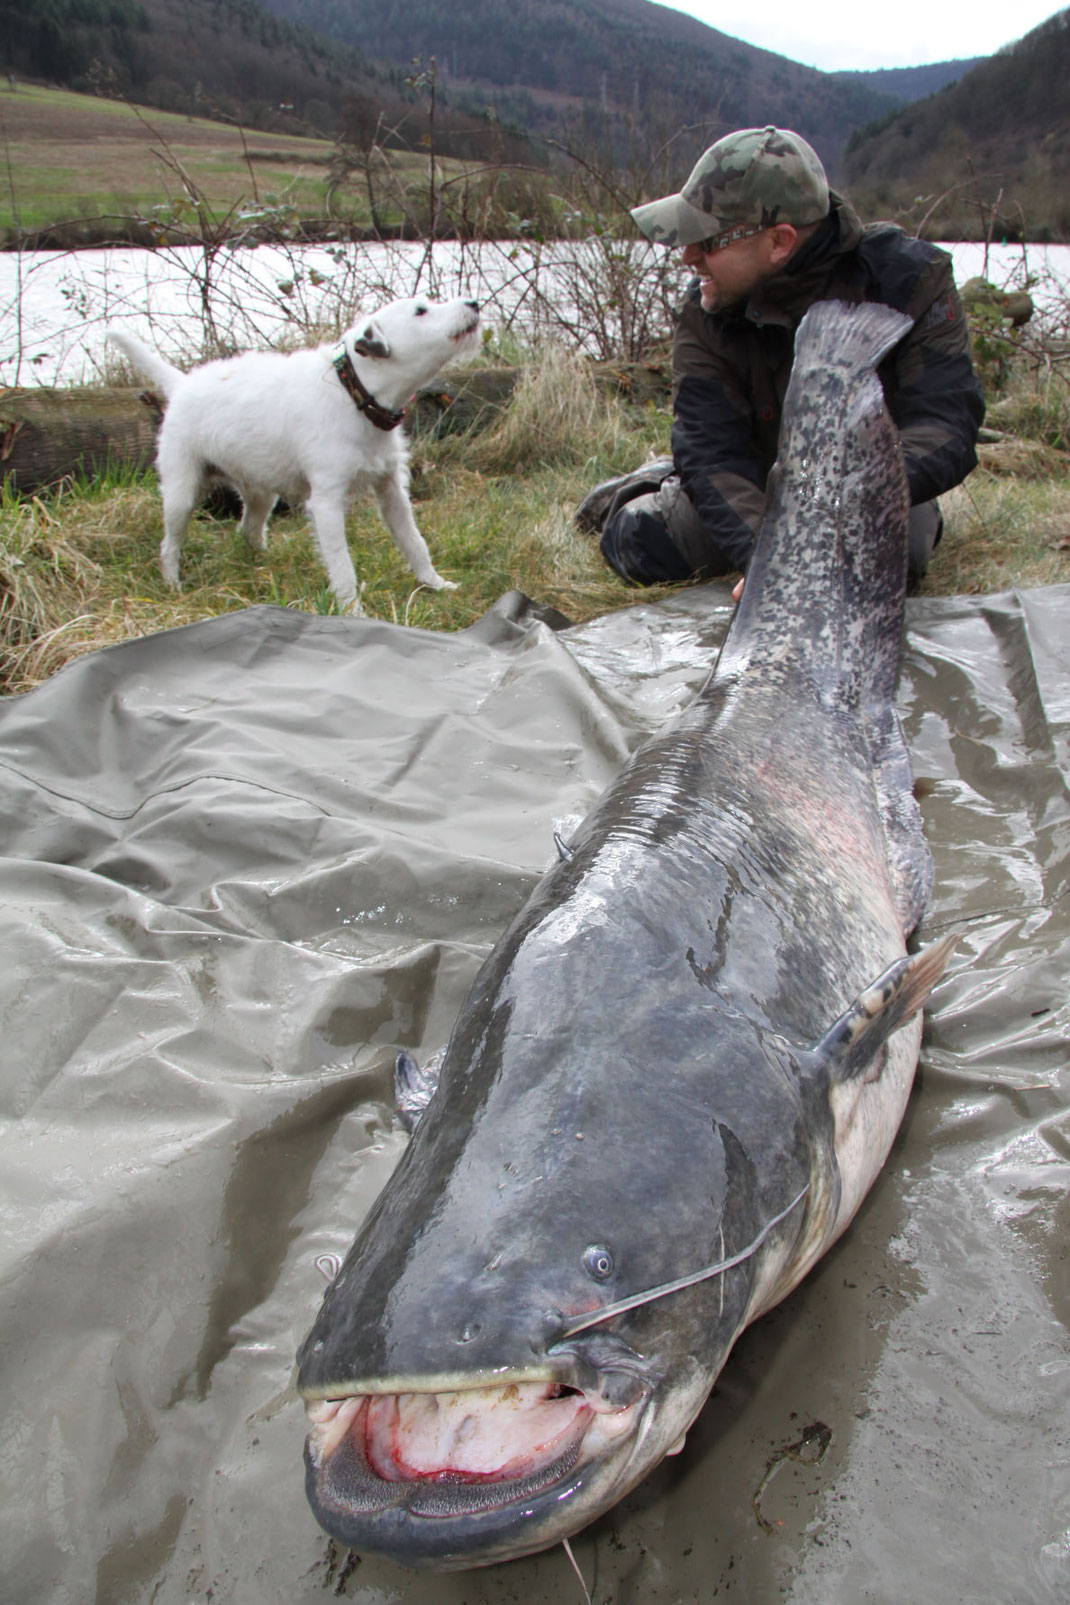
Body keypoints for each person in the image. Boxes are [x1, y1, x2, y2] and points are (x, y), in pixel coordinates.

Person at [579, 126, 985, 592]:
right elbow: (711, 449)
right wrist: (769, 558)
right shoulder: (707, 308)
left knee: (896, 560)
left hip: (864, 485)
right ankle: (647, 483)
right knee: (640, 541)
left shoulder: (911, 281)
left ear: (779, 241)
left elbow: (946, 423)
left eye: (708, 241)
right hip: (753, 481)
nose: (688, 256)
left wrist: (849, 498)